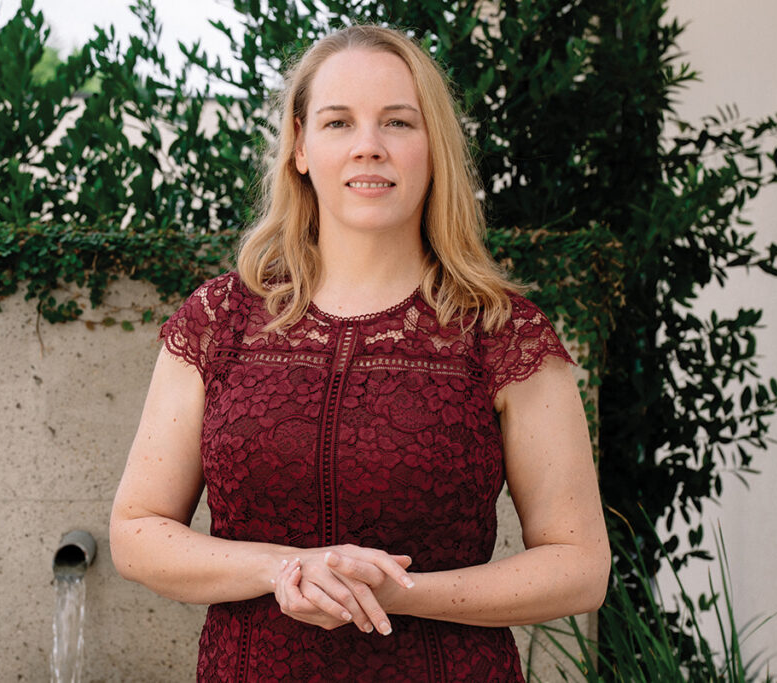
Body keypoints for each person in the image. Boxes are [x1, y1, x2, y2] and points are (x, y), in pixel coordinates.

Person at [109, 24, 610, 682]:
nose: (369, 147)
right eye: (339, 122)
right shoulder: (219, 319)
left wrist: (404, 594)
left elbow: (580, 567)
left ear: (433, 147)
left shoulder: (501, 331)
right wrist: (283, 568)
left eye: (398, 123)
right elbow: (137, 529)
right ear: (300, 146)